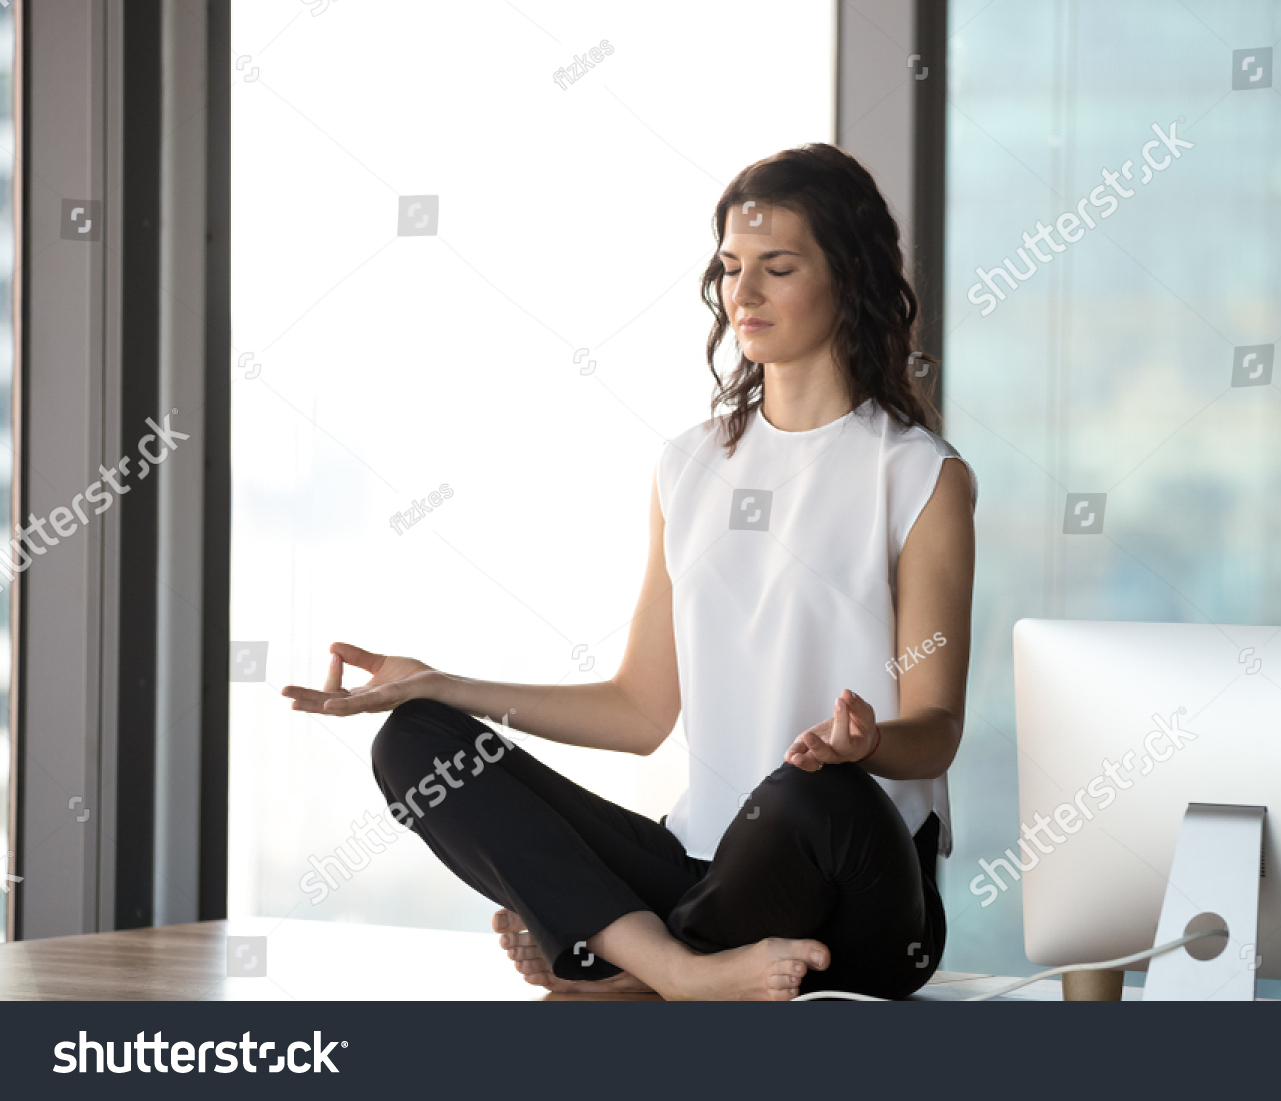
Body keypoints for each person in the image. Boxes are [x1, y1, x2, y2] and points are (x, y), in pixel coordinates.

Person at [282, 143, 977, 1000]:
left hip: (859, 889)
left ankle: (619, 975)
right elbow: (641, 710)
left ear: (851, 276)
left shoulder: (917, 476)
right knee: (415, 742)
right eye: (729, 268)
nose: (743, 295)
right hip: (704, 870)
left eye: (778, 267)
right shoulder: (688, 467)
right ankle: (676, 969)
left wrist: (868, 744)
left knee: (815, 789)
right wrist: (439, 683)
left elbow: (939, 724)